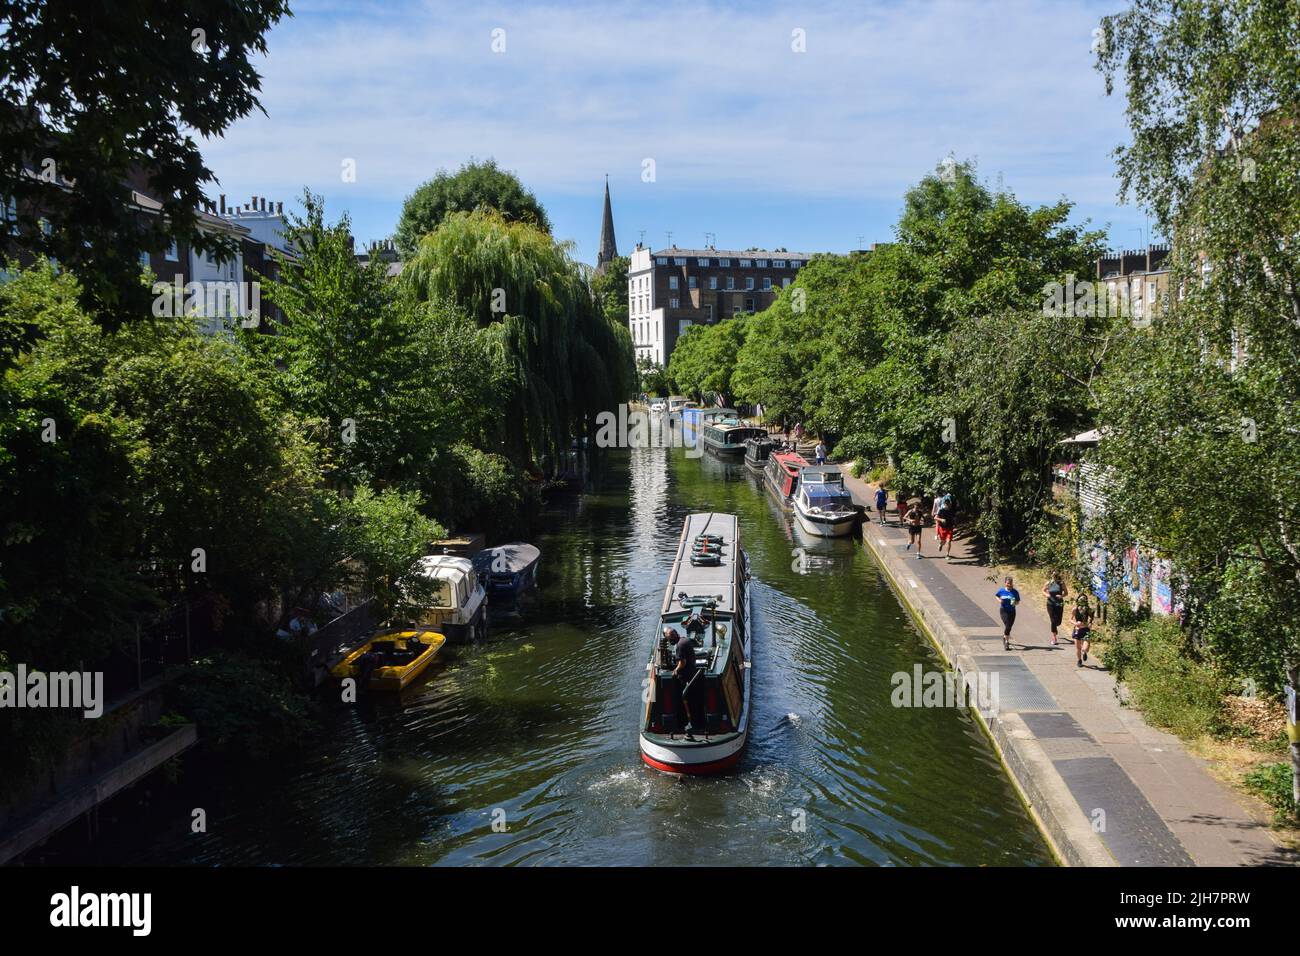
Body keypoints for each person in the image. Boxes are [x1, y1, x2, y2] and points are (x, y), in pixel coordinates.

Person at [672, 626, 699, 735]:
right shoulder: (685, 640)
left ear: (673, 637)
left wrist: (675, 670)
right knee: (692, 698)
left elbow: (682, 662)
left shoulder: (679, 645)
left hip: (686, 676)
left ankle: (685, 721)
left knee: (684, 697)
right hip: (692, 672)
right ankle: (693, 720)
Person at [1042, 572, 1068, 646]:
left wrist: (1061, 596)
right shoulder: (1048, 583)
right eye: (1053, 574)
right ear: (1051, 575)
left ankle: (1055, 628)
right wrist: (1046, 594)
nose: (1054, 575)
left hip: (1059, 604)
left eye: (1056, 574)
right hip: (1050, 604)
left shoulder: (1061, 583)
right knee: (1053, 621)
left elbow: (1066, 593)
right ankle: (1054, 637)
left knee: (1058, 622)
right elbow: (1043, 590)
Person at [995, 576, 1020, 651]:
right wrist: (999, 600)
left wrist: (1015, 603)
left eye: (1010, 583)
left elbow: (1018, 601)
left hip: (1012, 611)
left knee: (1009, 627)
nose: (1009, 584)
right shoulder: (1001, 590)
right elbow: (996, 596)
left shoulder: (1015, 592)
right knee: (1008, 626)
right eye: (1008, 583)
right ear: (1005, 583)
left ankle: (1005, 637)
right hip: (1003, 611)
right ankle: (1006, 642)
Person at [1072, 596, 1094, 668]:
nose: (1082, 601)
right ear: (1078, 601)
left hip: (1085, 629)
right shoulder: (1075, 609)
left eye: (1084, 600)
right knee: (1078, 648)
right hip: (1077, 630)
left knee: (1085, 648)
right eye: (1081, 600)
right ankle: (1079, 660)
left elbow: (1091, 617)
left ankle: (1084, 652)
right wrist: (1075, 623)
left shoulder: (1088, 609)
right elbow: (1070, 619)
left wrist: (1090, 623)